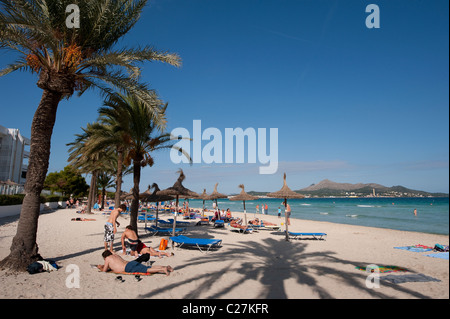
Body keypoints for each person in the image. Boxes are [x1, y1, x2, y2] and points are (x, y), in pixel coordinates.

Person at [97, 250, 173, 276]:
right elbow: (115, 264)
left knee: (146, 270)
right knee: (147, 268)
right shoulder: (115, 255)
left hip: (128, 268)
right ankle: (164, 267)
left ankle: (164, 269)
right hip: (130, 263)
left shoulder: (107, 258)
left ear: (105, 257)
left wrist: (100, 267)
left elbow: (104, 271)